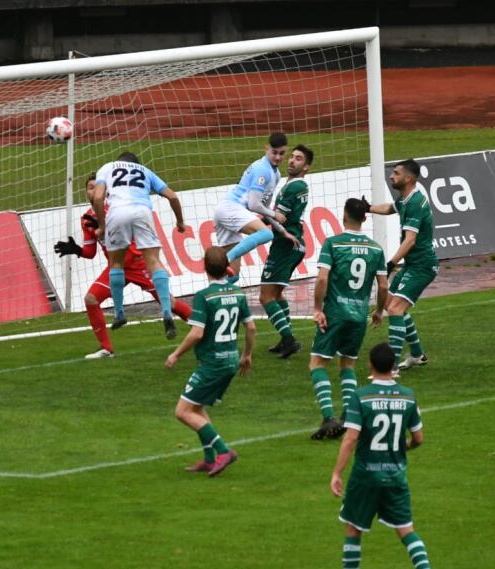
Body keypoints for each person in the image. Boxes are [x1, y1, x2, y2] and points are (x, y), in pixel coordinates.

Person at [330, 342, 439, 569]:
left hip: (365, 476)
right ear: (393, 367)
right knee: (406, 530)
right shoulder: (408, 396)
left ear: (370, 365)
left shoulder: (361, 396)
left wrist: (336, 472)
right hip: (396, 475)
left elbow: (351, 438)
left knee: (353, 529)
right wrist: (405, 448)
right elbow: (419, 438)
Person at [55, 173, 192, 359]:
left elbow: (126, 238)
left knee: (170, 302)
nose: (94, 190)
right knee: (91, 299)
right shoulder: (86, 218)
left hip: (137, 263)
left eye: (97, 187)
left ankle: (205, 327)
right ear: (86, 192)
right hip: (116, 268)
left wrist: (105, 227)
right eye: (90, 188)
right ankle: (106, 349)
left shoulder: (116, 209)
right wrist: (76, 250)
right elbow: (91, 252)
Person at [165, 247, 255, 477]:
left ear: (203, 267)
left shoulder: (204, 296)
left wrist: (176, 354)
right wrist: (247, 355)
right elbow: (251, 327)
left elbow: (196, 333)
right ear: (227, 268)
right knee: (197, 407)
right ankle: (208, 458)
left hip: (212, 362)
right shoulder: (238, 293)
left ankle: (224, 452)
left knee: (183, 411)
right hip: (231, 359)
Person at [308, 198, 388, 441]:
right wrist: (378, 311)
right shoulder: (376, 249)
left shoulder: (333, 244)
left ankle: (329, 417)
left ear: (344, 216)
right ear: (365, 218)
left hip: (335, 313)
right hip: (358, 316)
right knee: (348, 365)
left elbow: (322, 279)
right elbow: (383, 285)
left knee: (317, 364)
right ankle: (349, 416)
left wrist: (317, 308)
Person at [92, 152, 186, 339]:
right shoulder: (145, 171)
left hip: (117, 212)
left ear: (120, 161)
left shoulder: (108, 167)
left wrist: (102, 225)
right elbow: (173, 197)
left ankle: (119, 313)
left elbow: (97, 198)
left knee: (116, 263)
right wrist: (180, 222)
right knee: (153, 261)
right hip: (142, 211)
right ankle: (167, 311)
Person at [368, 159, 438, 374]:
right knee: (392, 303)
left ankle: (390, 368)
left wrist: (391, 263)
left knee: (396, 309)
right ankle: (417, 354)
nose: (392, 176)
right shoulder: (406, 199)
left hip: (422, 267)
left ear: (409, 178)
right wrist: (368, 208)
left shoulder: (416, 203)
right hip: (412, 265)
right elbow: (391, 208)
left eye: (396, 173)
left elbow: (410, 240)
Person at [260, 143, 313, 359]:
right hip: (293, 244)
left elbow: (277, 218)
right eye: (292, 157)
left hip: (285, 244)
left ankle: (289, 339)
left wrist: (254, 209)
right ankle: (286, 338)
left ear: (307, 166)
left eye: (298, 158)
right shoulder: (296, 185)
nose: (291, 160)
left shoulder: (293, 187)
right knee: (277, 293)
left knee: (266, 297)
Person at [214, 132, 289, 284]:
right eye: (274, 152)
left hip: (228, 211)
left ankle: (211, 296)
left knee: (232, 276)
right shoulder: (263, 169)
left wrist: (282, 231)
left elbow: (263, 208)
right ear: (266, 148)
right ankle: (226, 258)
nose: (278, 157)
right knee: (266, 234)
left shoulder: (275, 174)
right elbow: (253, 205)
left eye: (282, 153)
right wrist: (275, 214)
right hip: (231, 208)